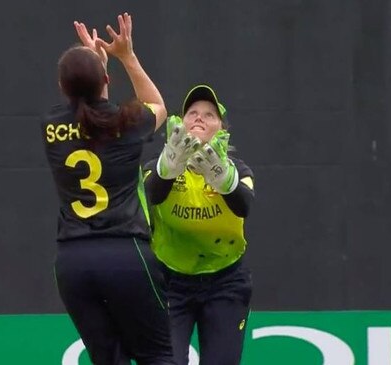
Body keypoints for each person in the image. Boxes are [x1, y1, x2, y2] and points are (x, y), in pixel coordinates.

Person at [41, 13, 175, 365]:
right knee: (158, 355)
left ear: (62, 86)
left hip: (73, 262)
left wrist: (92, 67)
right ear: (106, 79)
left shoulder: (50, 127)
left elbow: (81, 107)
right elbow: (158, 107)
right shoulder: (125, 122)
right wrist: (126, 56)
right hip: (124, 252)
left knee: (108, 360)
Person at [143, 84, 255, 365]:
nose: (199, 118)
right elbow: (152, 194)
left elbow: (244, 205)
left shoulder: (237, 170)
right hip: (170, 281)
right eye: (192, 113)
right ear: (179, 124)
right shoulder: (157, 167)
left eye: (209, 114)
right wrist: (167, 169)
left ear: (222, 128)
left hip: (225, 280)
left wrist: (223, 181)